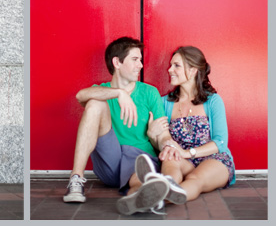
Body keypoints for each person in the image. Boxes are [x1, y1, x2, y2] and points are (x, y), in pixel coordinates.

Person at [63, 37, 185, 215]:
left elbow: (163, 135)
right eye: (135, 60)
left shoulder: (149, 92)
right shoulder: (102, 90)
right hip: (109, 161)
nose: (141, 65)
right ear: (117, 62)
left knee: (140, 179)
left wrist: (165, 143)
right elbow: (81, 95)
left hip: (140, 158)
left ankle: (140, 197)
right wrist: (119, 93)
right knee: (94, 103)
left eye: (140, 60)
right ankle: (76, 179)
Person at [147, 46, 235, 202]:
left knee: (195, 179)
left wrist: (187, 153)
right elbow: (162, 142)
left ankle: (156, 198)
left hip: (213, 160)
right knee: (169, 159)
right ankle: (160, 192)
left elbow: (220, 142)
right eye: (171, 65)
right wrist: (152, 137)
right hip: (180, 159)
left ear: (193, 70)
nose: (169, 70)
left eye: (176, 65)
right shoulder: (164, 103)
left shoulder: (213, 101)